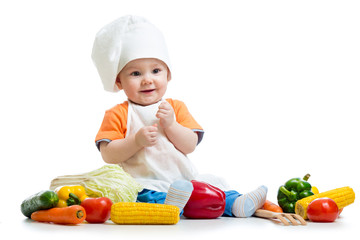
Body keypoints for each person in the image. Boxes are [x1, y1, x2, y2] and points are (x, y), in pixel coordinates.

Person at [92, 15, 267, 218]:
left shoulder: (175, 107)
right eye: (135, 74)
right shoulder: (117, 113)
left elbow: (190, 145)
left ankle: (236, 204)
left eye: (156, 71)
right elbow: (108, 155)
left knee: (208, 191)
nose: (147, 80)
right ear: (119, 82)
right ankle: (171, 206)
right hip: (143, 182)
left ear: (168, 75)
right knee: (148, 197)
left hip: (183, 179)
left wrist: (172, 125)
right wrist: (135, 141)